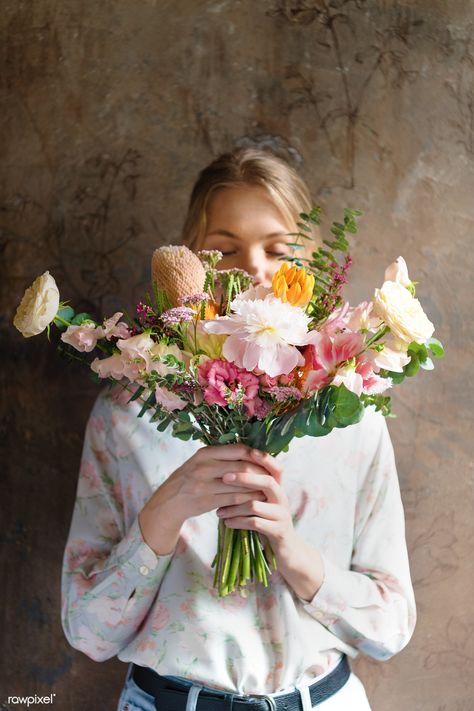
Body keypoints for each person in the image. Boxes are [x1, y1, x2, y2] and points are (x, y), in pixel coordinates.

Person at [60, 147, 416, 711]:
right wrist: (164, 512)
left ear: (315, 264)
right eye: (223, 248)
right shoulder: (129, 412)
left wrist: (295, 554)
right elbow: (88, 633)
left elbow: (391, 628)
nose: (253, 267)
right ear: (189, 265)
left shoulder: (353, 413)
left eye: (278, 249)